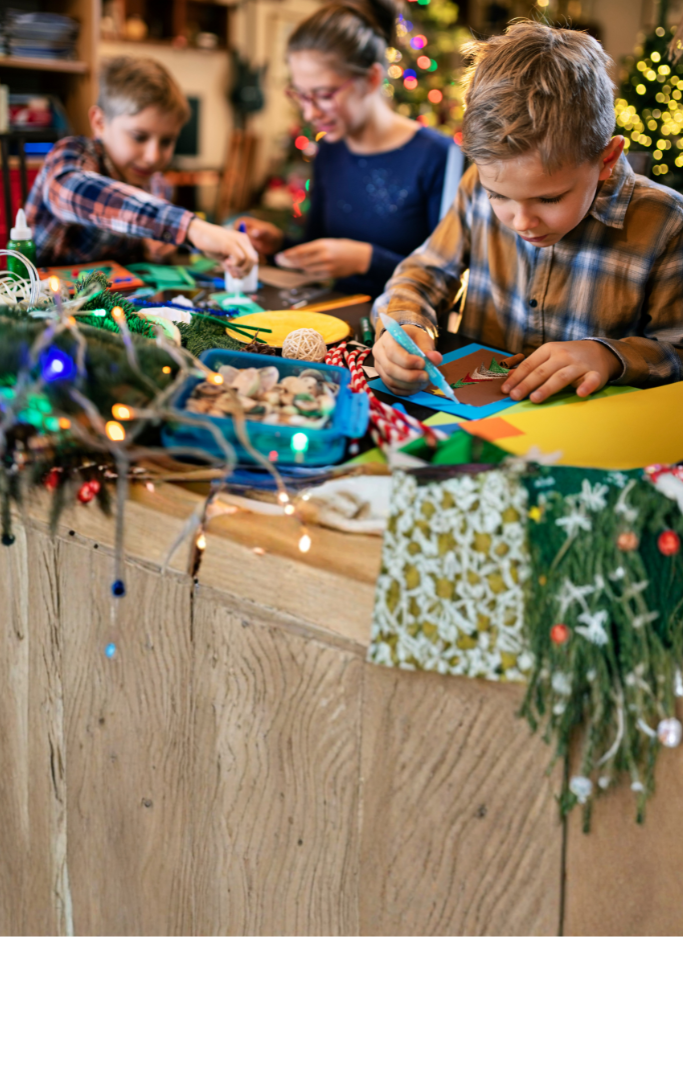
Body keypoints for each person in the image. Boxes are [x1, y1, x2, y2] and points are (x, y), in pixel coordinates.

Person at [373, 21, 683, 403]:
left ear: (606, 159)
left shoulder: (666, 222)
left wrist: (610, 357)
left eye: (550, 199)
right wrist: (405, 327)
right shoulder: (475, 186)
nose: (521, 222)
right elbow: (423, 273)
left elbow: (678, 351)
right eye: (498, 196)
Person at [236, 0, 462, 298]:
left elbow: (447, 281)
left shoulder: (439, 156)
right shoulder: (330, 151)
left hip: (406, 329)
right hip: (336, 318)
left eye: (324, 95)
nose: (309, 113)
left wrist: (365, 260)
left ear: (371, 79)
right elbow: (319, 247)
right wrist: (278, 244)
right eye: (301, 96)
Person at [26, 56, 256, 274]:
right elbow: (72, 189)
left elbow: (138, 261)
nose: (152, 157)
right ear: (99, 122)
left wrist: (155, 250)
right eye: (139, 137)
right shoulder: (70, 155)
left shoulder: (157, 185)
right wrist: (189, 228)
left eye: (167, 141)